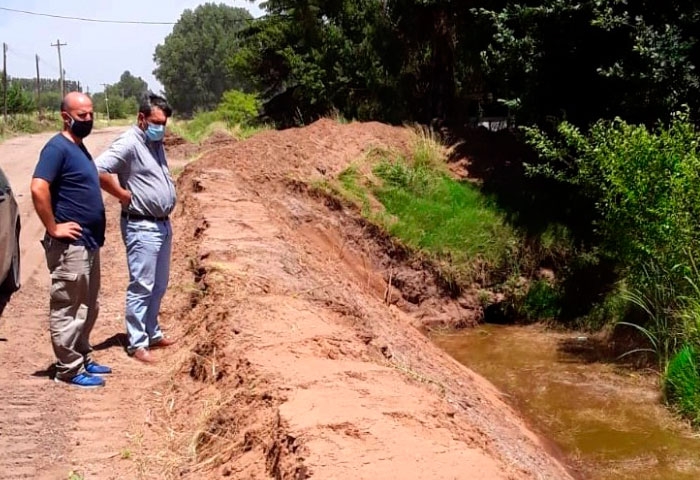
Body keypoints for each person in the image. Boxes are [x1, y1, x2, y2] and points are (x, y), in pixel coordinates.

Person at [31, 91, 112, 388]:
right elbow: (39, 188)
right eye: (82, 116)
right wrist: (53, 228)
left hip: (88, 242)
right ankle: (68, 368)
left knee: (89, 305)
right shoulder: (56, 148)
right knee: (68, 306)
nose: (88, 119)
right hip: (70, 246)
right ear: (66, 117)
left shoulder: (79, 147)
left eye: (91, 114)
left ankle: (81, 355)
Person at [95, 93, 177, 363]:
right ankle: (137, 342)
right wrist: (120, 192)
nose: (161, 128)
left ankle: (152, 332)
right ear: (142, 118)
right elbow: (97, 169)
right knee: (142, 285)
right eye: (156, 122)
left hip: (161, 225)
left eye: (164, 123)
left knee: (159, 284)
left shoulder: (155, 142)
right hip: (142, 225)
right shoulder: (130, 142)